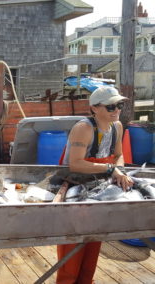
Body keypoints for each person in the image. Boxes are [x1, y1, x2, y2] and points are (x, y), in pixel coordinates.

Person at [57, 86, 134, 284]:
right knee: (72, 245)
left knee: (94, 240)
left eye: (119, 105)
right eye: (110, 107)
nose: (117, 110)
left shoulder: (117, 127)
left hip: (98, 190)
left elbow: (118, 156)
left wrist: (119, 171)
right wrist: (110, 170)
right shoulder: (84, 128)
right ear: (94, 108)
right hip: (74, 187)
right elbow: (75, 163)